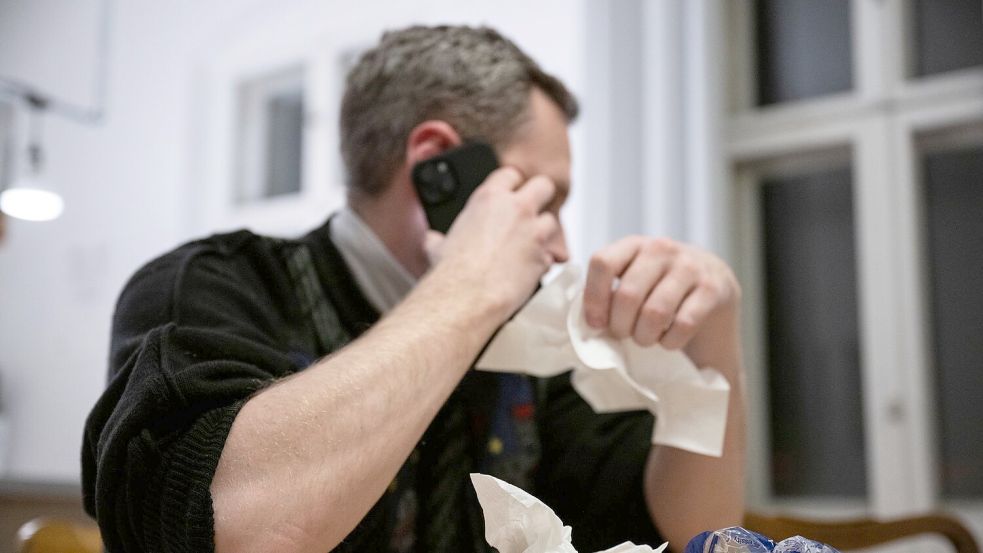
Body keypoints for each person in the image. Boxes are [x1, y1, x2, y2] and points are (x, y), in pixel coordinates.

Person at [82, 25, 745, 553]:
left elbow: (697, 532)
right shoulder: (209, 289)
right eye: (545, 200)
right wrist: (467, 287)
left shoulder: (531, 337)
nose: (561, 246)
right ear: (437, 166)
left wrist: (710, 343)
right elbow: (237, 531)